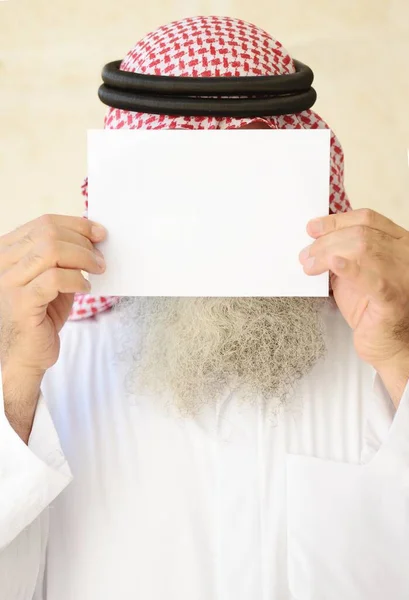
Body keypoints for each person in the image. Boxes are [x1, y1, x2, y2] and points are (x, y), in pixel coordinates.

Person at [1, 15, 409, 600]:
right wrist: (12, 379)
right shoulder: (47, 370)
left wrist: (402, 357)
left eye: (246, 175)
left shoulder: (382, 349)